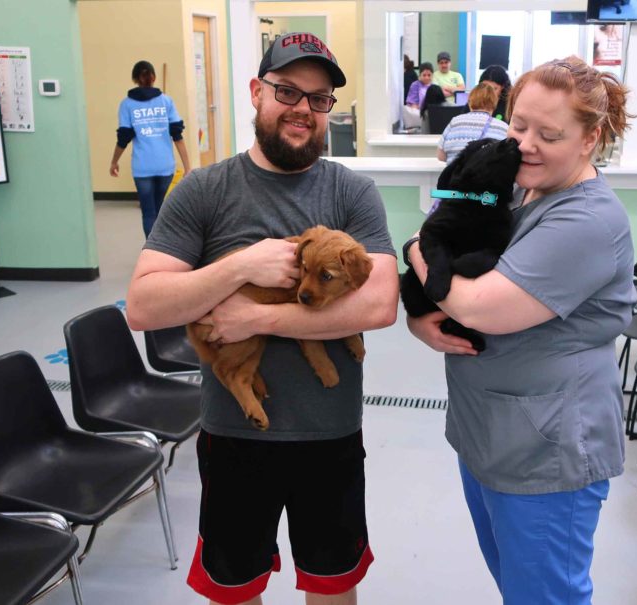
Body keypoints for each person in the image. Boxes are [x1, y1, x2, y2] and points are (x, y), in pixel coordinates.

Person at [125, 32, 398, 605]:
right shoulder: (203, 190)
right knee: (234, 588)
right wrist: (240, 267)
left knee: (331, 584)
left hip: (331, 433)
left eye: (319, 98)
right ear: (257, 92)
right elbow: (145, 306)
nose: (303, 109)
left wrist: (255, 318)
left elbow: (378, 304)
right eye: (287, 91)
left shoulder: (353, 193)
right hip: (233, 437)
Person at [404, 55, 636, 604]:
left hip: (545, 453)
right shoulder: (522, 190)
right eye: (519, 125)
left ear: (590, 138)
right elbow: (453, 239)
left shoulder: (588, 220)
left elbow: (480, 305)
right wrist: (421, 320)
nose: (525, 144)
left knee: (544, 596)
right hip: (489, 432)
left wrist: (415, 249)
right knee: (517, 587)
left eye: (548, 133)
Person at [109, 60, 191, 238]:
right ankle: (164, 249)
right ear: (154, 77)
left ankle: (151, 252)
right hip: (165, 166)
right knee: (161, 209)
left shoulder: (127, 104)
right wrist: (187, 166)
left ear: (135, 79)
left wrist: (114, 162)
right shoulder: (166, 101)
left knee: (148, 212)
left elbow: (123, 138)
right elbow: (178, 136)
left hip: (142, 168)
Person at [437, 82, 509, 164]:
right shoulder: (503, 128)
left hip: (456, 175)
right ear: (494, 102)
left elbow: (441, 156)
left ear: (470, 101)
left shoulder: (455, 122)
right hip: (488, 176)